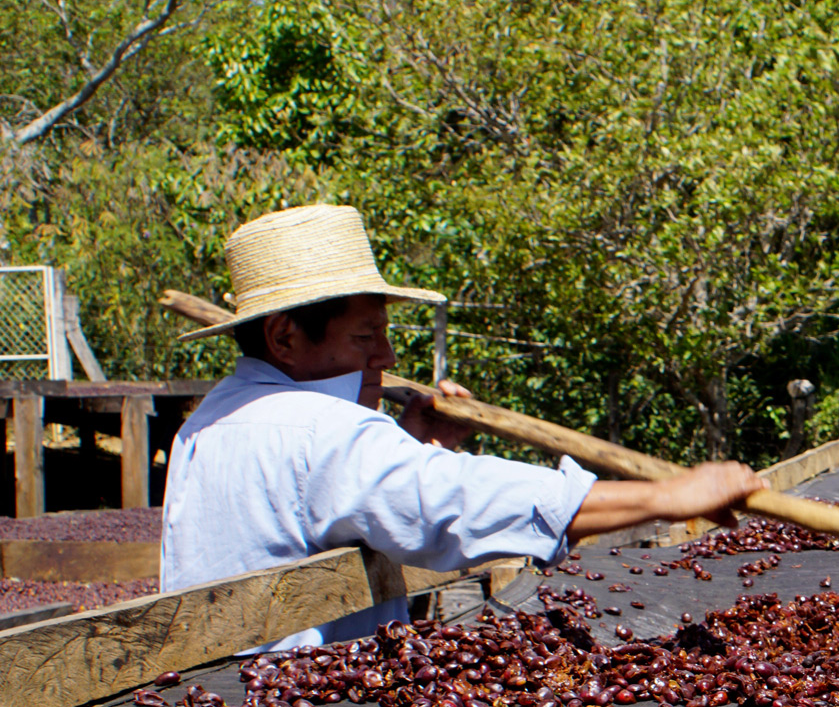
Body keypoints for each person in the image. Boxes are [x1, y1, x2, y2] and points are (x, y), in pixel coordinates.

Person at [161, 204, 766, 649]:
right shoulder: (318, 429)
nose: (388, 358)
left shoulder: (209, 420)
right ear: (285, 337)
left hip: (216, 698)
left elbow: (318, 500)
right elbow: (457, 498)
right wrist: (666, 496)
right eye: (366, 337)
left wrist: (419, 443)